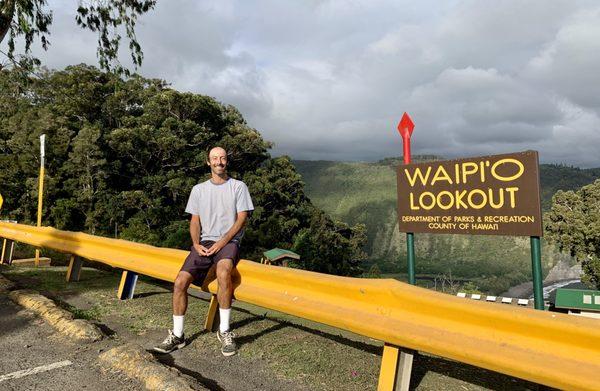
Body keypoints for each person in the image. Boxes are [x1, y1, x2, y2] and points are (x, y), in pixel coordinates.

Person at [153, 146, 254, 356]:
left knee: (224, 271)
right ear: (208, 162)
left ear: (227, 161)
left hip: (229, 242)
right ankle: (178, 336)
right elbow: (195, 221)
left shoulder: (238, 187)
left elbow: (242, 218)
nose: (219, 162)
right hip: (204, 243)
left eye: (223, 158)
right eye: (214, 158)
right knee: (180, 282)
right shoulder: (198, 190)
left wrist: (223, 241)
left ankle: (225, 331)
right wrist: (196, 243)